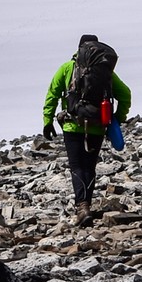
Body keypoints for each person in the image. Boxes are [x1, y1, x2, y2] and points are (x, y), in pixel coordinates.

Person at [41, 34, 132, 223]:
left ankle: (82, 207)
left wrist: (47, 121)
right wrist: (117, 118)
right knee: (89, 167)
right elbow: (125, 94)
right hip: (97, 126)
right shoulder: (105, 72)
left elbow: (53, 94)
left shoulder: (67, 68)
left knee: (77, 166)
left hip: (72, 125)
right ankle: (86, 205)